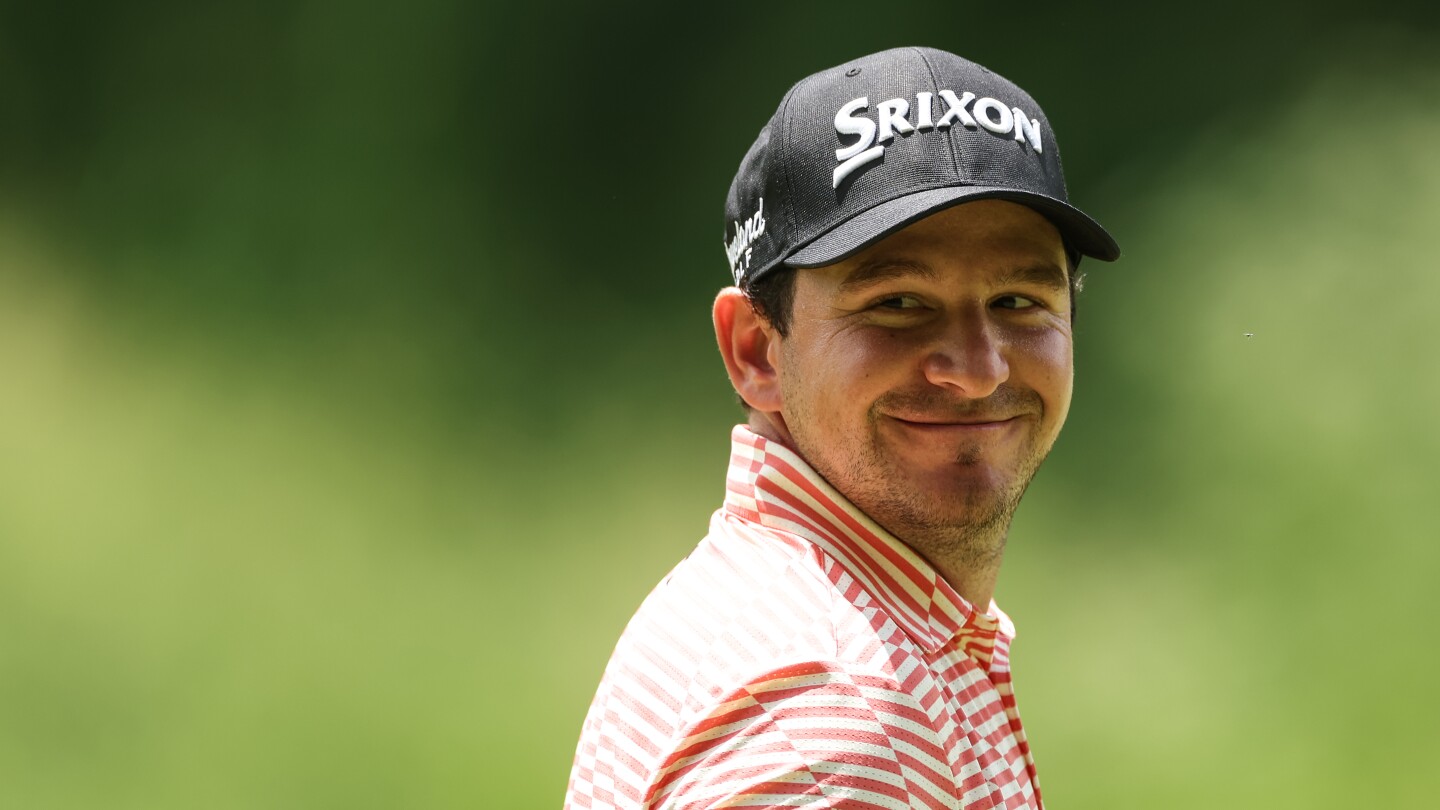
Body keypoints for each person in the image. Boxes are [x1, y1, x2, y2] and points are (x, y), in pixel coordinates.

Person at [566, 46, 1120, 810]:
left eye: (1019, 301)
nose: (979, 368)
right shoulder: (830, 723)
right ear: (756, 350)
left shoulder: (783, 616)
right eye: (898, 303)